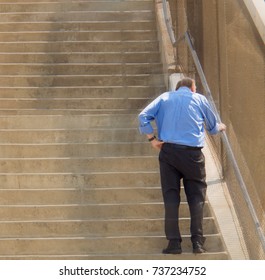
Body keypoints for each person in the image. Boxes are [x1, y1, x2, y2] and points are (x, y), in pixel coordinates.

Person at [138, 77, 226, 254]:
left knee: (171, 197)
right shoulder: (199, 99)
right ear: (193, 88)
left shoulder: (164, 97)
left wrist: (152, 139)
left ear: (177, 88)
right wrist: (221, 126)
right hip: (192, 154)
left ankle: (174, 243)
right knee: (196, 197)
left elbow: (143, 116)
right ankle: (197, 243)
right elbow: (212, 127)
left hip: (168, 152)